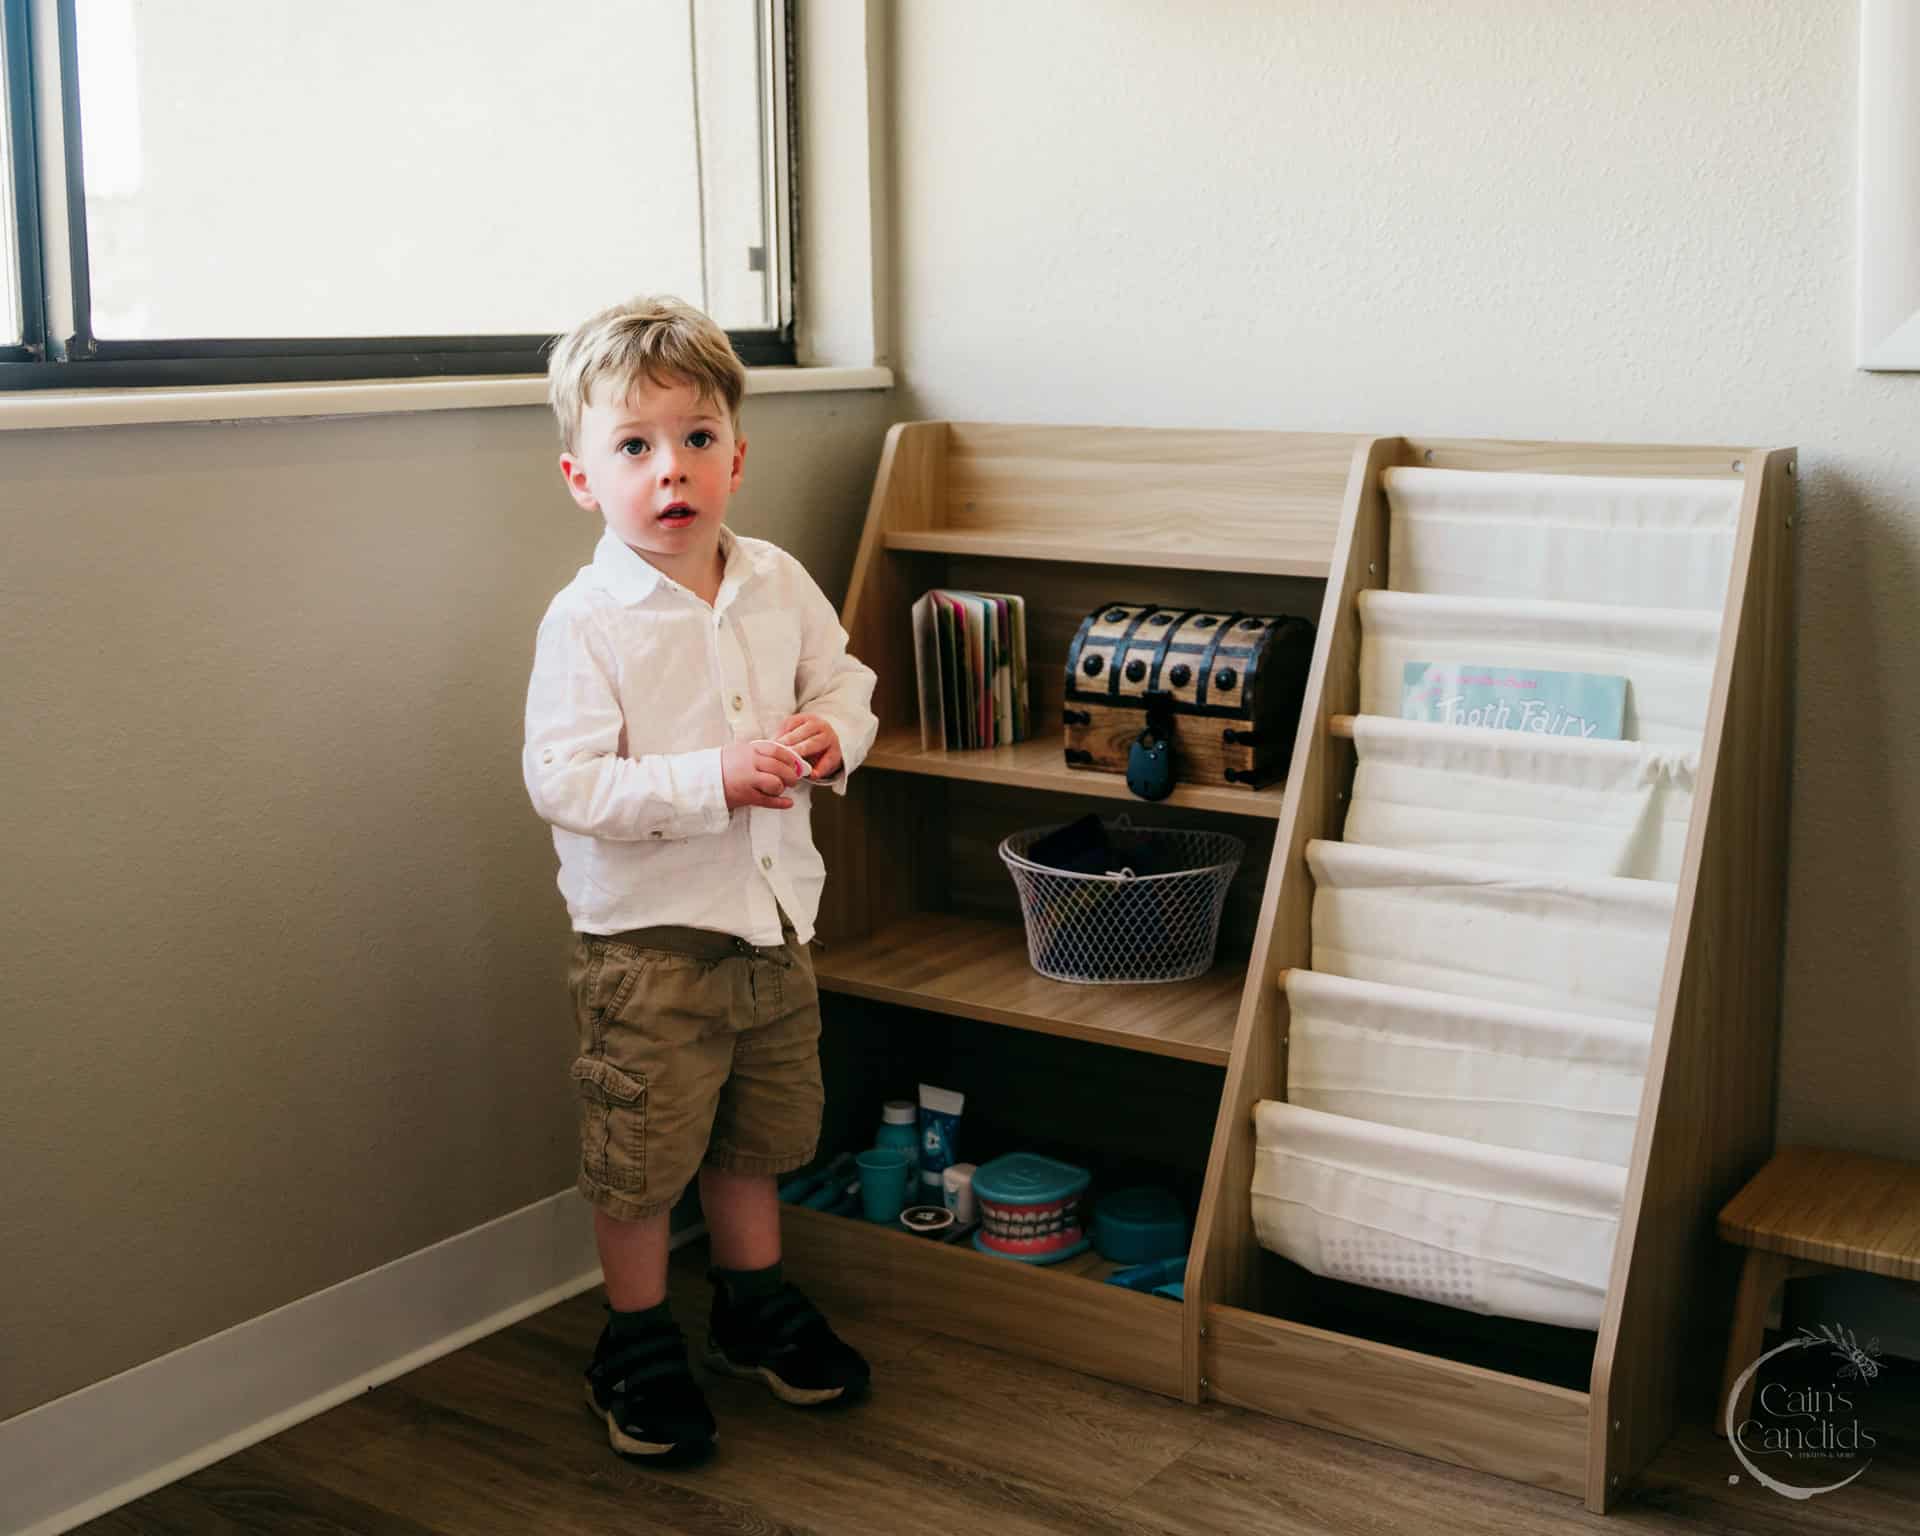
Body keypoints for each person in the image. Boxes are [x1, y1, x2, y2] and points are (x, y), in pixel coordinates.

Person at [524, 295, 878, 1462]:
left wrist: (834, 737)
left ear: (736, 454)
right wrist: (710, 779)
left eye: (695, 439)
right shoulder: (589, 622)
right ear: (584, 476)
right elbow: (566, 784)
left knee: (756, 1136)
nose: (668, 469)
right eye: (635, 446)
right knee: (640, 1160)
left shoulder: (776, 581)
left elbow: (845, 683)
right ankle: (633, 1336)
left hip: (772, 925)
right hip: (650, 953)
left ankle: (751, 1302)